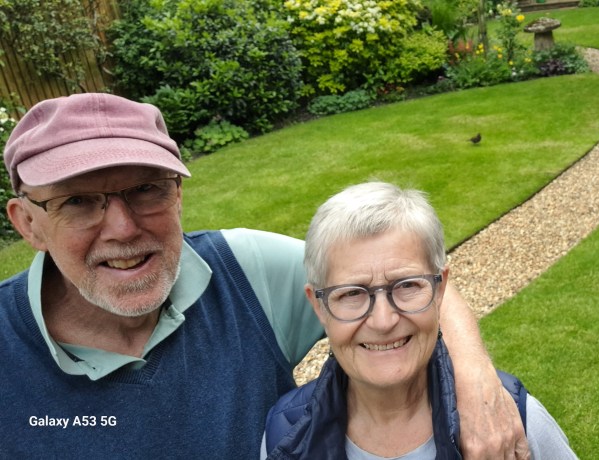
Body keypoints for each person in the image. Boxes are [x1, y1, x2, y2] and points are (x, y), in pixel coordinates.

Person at [0, 93, 527, 458]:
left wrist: (477, 386)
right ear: (28, 223)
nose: (122, 227)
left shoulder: (244, 270)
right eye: (78, 202)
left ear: (178, 195)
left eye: (146, 189)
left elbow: (411, 284)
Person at [261, 181, 577, 459]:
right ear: (318, 307)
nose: (383, 321)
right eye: (352, 293)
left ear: (440, 290)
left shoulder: (514, 421)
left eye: (407, 286)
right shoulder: (283, 435)